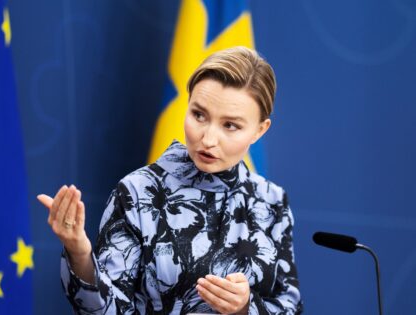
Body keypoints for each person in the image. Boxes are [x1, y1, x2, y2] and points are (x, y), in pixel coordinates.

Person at [38, 46, 303, 314]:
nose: (208, 139)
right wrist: (80, 253)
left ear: (259, 130)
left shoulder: (271, 201)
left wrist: (246, 308)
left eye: (230, 125)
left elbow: (290, 306)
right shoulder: (138, 192)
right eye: (199, 115)